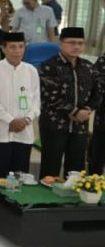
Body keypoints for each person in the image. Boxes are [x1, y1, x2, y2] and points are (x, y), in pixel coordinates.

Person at [38, 27, 100, 178]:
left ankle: (72, 194)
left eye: (80, 43)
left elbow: (98, 92)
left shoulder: (88, 67)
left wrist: (88, 109)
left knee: (76, 171)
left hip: (80, 126)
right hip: (54, 125)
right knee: (50, 169)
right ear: (61, 43)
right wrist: (74, 111)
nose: (76, 46)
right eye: (72, 42)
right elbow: (48, 95)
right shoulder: (48, 66)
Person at [0, 32, 40, 184]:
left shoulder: (31, 71)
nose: (17, 51)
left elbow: (36, 101)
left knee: (19, 179)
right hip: (0, 132)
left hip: (24, 132)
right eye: (13, 47)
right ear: (3, 49)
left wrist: (26, 120)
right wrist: (11, 121)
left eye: (21, 47)